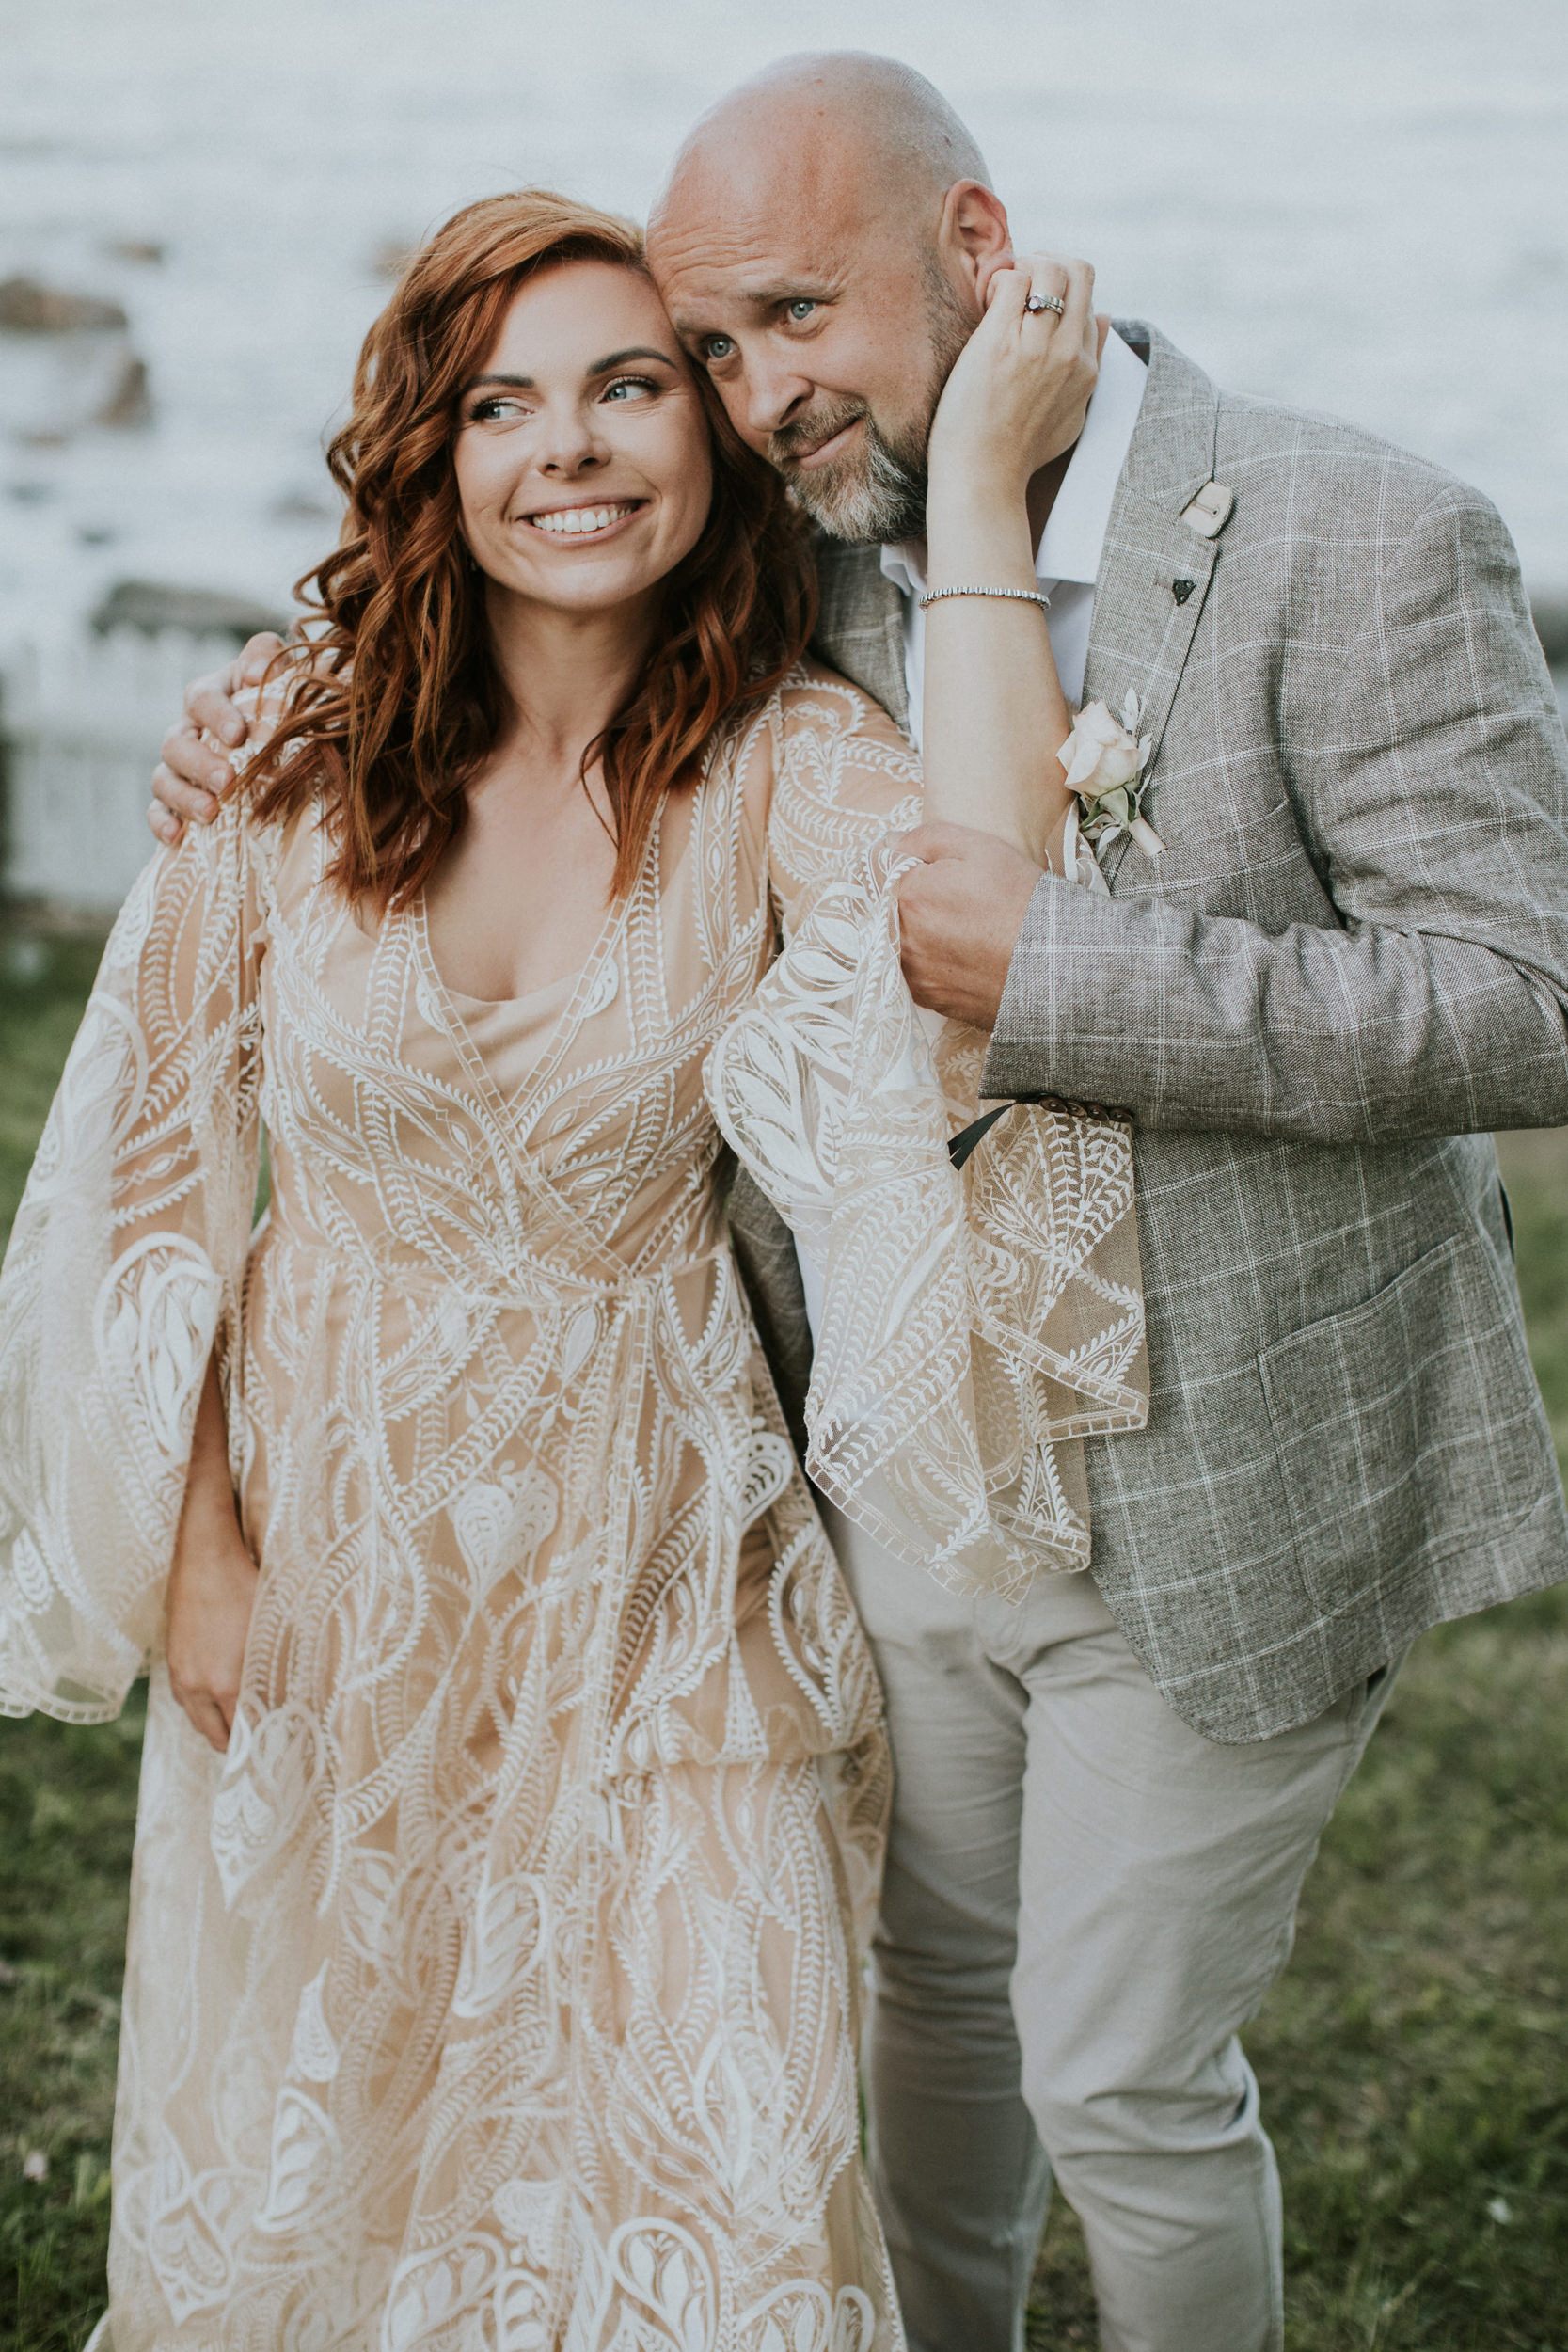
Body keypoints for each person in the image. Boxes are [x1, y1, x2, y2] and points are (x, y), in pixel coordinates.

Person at [148, 50, 1568, 2352]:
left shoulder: (1360, 534)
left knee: (1118, 2071)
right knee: (923, 2016)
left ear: (977, 249)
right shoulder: (789, 551)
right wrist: (252, 708)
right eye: (712, 350)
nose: (751, 395)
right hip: (889, 1471)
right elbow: (521, 617)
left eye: (792, 317)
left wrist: (1070, 974)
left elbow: (1529, 1003)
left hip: (1234, 1467)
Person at [4, 182, 1133, 2352]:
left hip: (663, 1576)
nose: (574, 448)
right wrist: (203, 1547)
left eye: (630, 386)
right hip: (336, 1561)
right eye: (503, 405)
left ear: (709, 430)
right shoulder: (293, 744)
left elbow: (1005, 919)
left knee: (714, 2168)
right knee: (343, 2166)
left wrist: (983, 484)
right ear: (431, 453)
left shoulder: (786, 762)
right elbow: (160, 1157)